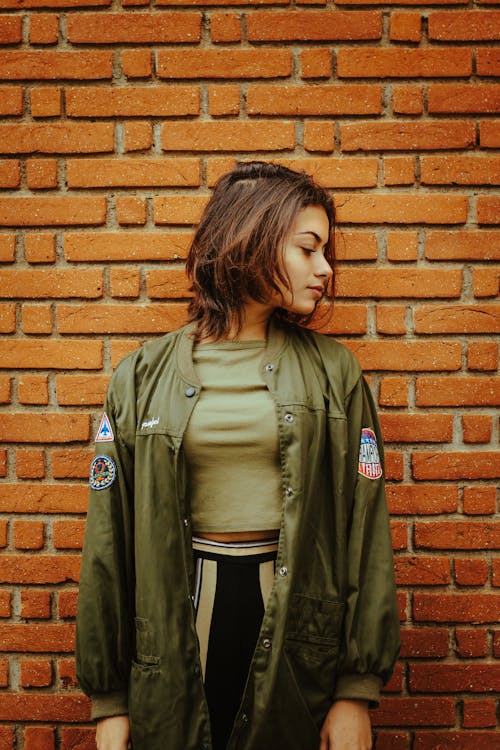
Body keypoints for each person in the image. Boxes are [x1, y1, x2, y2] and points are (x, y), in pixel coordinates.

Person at [76, 161, 400, 750]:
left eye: (326, 251)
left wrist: (355, 690)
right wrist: (111, 703)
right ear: (251, 240)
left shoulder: (336, 374)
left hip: (299, 641)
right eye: (309, 248)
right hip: (177, 634)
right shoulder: (140, 378)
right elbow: (108, 540)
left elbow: (365, 530)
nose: (325, 268)